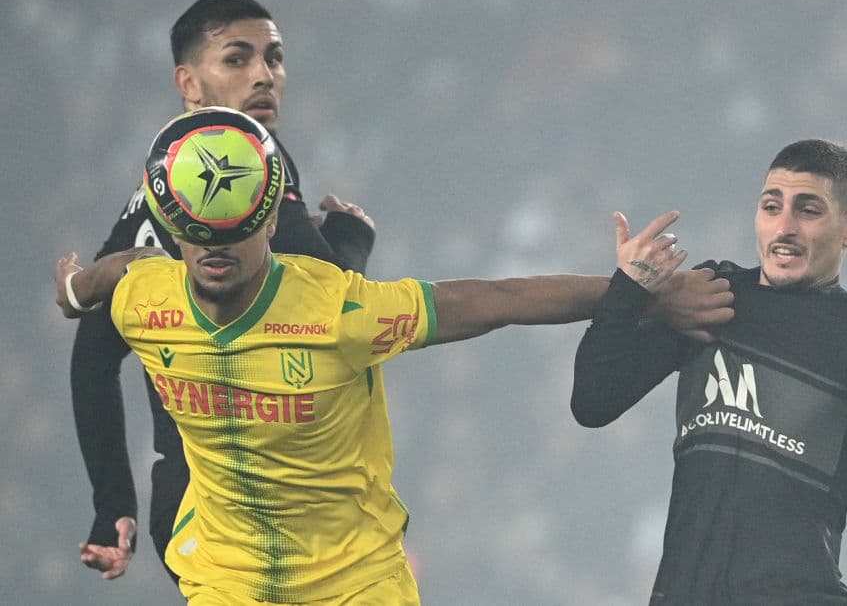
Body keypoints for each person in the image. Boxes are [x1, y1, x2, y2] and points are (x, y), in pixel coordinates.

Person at [54, 106, 732, 604]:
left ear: (271, 219)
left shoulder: (341, 312)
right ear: (174, 229)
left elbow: (498, 298)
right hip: (223, 580)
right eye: (197, 237)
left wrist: (641, 296)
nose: (214, 254)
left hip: (356, 582)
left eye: (231, 234)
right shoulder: (142, 294)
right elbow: (116, 271)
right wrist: (73, 289)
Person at [572, 139, 847, 604]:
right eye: (772, 207)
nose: (785, 227)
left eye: (808, 211)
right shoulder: (710, 297)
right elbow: (593, 402)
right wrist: (626, 292)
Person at [69, 0, 376, 583]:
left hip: (204, 498)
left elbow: (92, 355)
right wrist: (352, 236)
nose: (264, 74)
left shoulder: (161, 184)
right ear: (189, 83)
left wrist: (113, 503)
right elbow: (336, 311)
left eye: (273, 57)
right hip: (237, 505)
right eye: (237, 59)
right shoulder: (246, 169)